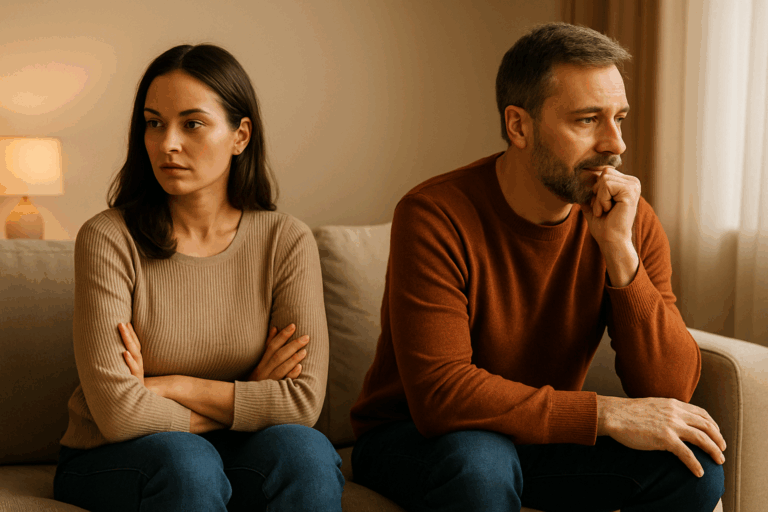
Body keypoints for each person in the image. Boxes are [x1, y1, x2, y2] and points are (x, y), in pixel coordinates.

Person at [350, 22, 725, 512]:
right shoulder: (434, 215)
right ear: (519, 126)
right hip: (415, 437)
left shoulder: (628, 218)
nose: (616, 144)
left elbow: (670, 390)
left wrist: (621, 256)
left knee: (692, 464)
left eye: (620, 118)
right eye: (588, 120)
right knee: (482, 461)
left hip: (536, 440)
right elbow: (443, 393)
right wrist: (605, 414)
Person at [53, 44, 344, 512]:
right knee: (189, 462)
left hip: (236, 452)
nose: (167, 143)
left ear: (240, 135)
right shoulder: (107, 239)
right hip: (117, 456)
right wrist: (248, 393)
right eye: (154, 123)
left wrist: (168, 385)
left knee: (305, 454)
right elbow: (117, 413)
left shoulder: (285, 240)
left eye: (192, 124)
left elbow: (302, 403)